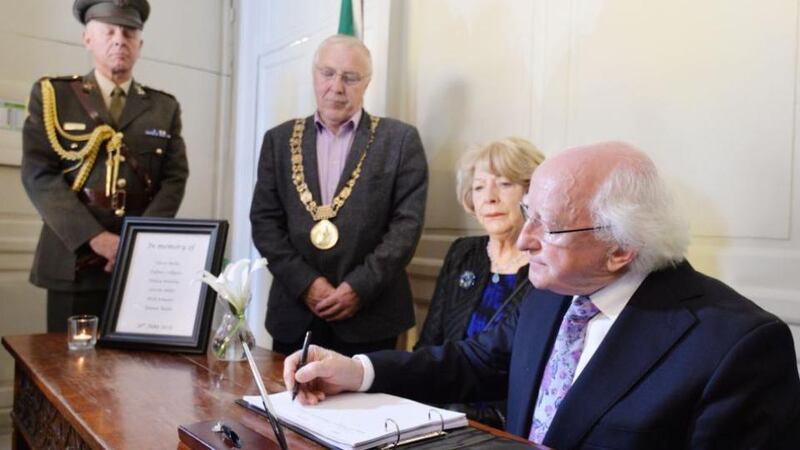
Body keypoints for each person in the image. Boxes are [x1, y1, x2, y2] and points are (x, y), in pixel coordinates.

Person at [284, 142, 800, 449]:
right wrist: (359, 371)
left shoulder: (737, 346)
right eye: (527, 210)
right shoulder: (557, 289)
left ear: (620, 248)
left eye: (547, 226)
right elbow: (475, 360)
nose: (525, 239)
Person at [250, 34, 428, 357]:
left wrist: (357, 288)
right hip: (294, 315)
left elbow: (406, 228)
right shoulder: (278, 141)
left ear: (367, 83)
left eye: (350, 77)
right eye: (328, 73)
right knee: (289, 405)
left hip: (372, 318)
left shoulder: (400, 141)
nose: (337, 86)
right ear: (314, 74)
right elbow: (264, 223)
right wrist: (307, 284)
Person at [21, 0, 188, 332]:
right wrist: (96, 238)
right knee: (68, 371)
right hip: (73, 260)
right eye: (108, 31)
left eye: (128, 32)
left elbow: (174, 179)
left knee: (131, 371)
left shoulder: (163, 107)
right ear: (87, 38)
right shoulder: (54, 95)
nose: (119, 40)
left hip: (137, 264)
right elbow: (38, 174)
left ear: (140, 43)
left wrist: (133, 241)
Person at [413, 138, 543, 428]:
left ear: (531, 192)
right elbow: (429, 342)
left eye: (505, 184)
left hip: (505, 424)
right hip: (442, 414)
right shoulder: (464, 252)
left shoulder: (546, 264)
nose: (490, 197)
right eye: (479, 186)